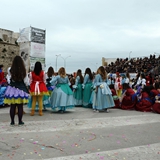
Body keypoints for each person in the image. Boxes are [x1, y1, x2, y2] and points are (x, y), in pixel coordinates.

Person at [3, 56, 29, 126]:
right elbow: (26, 82)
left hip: (12, 90)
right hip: (20, 90)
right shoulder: (24, 70)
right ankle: (20, 121)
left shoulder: (10, 69)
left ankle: (12, 121)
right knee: (20, 106)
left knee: (12, 106)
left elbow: (8, 79)